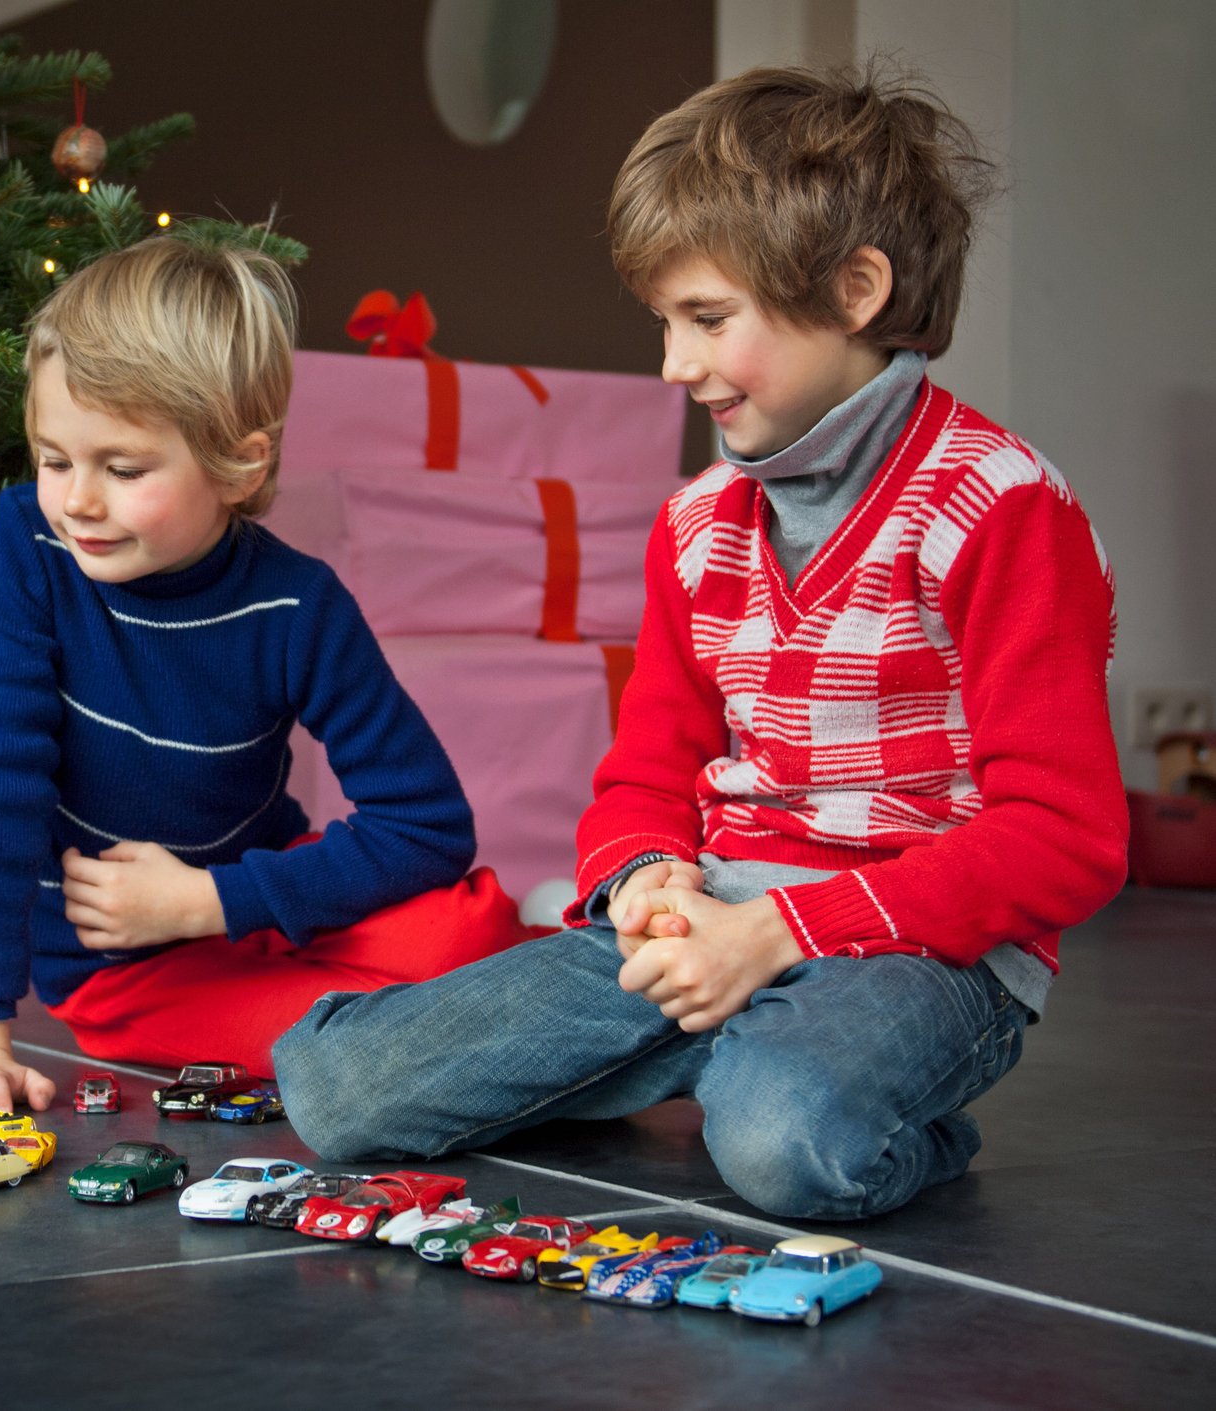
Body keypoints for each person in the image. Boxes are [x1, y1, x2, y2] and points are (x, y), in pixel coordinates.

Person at [271, 64, 1129, 1220]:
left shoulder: (1000, 506)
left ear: (855, 290)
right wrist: (643, 875)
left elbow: (1067, 840)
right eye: (665, 324)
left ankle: (809, 1083)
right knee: (335, 1086)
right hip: (715, 912)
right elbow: (645, 770)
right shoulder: (695, 522)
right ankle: (721, 1044)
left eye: (708, 320)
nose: (674, 365)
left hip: (923, 953)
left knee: (783, 1144)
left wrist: (781, 932)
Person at [0, 236, 522, 1111]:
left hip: (250, 906)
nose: (77, 500)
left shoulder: (299, 605)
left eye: (122, 469)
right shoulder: (31, 542)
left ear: (239, 464)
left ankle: (459, 1031)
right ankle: (452, 1039)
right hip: (122, 966)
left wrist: (209, 901)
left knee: (476, 928)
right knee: (351, 1045)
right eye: (53, 460)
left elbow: (427, 827)